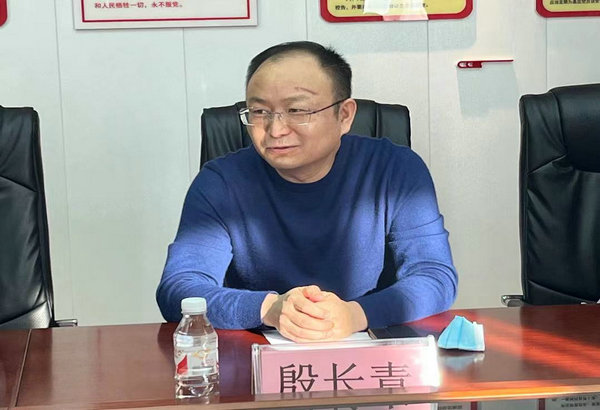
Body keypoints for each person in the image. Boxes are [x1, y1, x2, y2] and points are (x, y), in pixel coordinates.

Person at [156, 41, 457, 343]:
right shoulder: (220, 183)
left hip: (371, 347)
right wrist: (270, 308)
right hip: (257, 354)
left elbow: (434, 275)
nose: (275, 130)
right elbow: (180, 287)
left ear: (344, 115)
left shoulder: (396, 170)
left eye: (297, 110)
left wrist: (353, 315)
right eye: (259, 111)